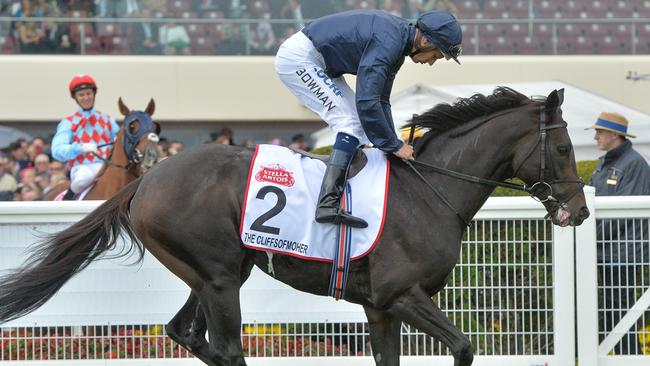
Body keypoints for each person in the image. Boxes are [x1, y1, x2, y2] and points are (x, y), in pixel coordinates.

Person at [275, 9, 462, 228]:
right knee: (350, 122)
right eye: (437, 55)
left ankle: (350, 192)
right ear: (425, 40)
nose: (432, 62)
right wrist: (392, 145)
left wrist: (394, 144)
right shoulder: (389, 44)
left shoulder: (397, 45)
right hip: (300, 59)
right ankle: (327, 204)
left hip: (319, 61)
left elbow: (382, 101)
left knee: (359, 124)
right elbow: (367, 100)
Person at [588, 112, 650, 354]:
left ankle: (629, 358)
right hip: (606, 251)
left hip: (624, 253)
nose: (595, 137)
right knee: (610, 313)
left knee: (620, 312)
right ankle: (621, 357)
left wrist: (588, 236)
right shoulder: (605, 163)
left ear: (614, 134)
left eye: (600, 132)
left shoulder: (634, 164)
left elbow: (622, 213)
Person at [51, 75, 119, 200]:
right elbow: (57, 150)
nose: (86, 97)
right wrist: (80, 148)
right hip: (83, 167)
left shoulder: (108, 119)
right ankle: (67, 198)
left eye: (88, 93)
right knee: (84, 178)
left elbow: (119, 140)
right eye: (81, 95)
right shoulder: (68, 122)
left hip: (107, 165)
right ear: (75, 98)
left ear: (94, 94)